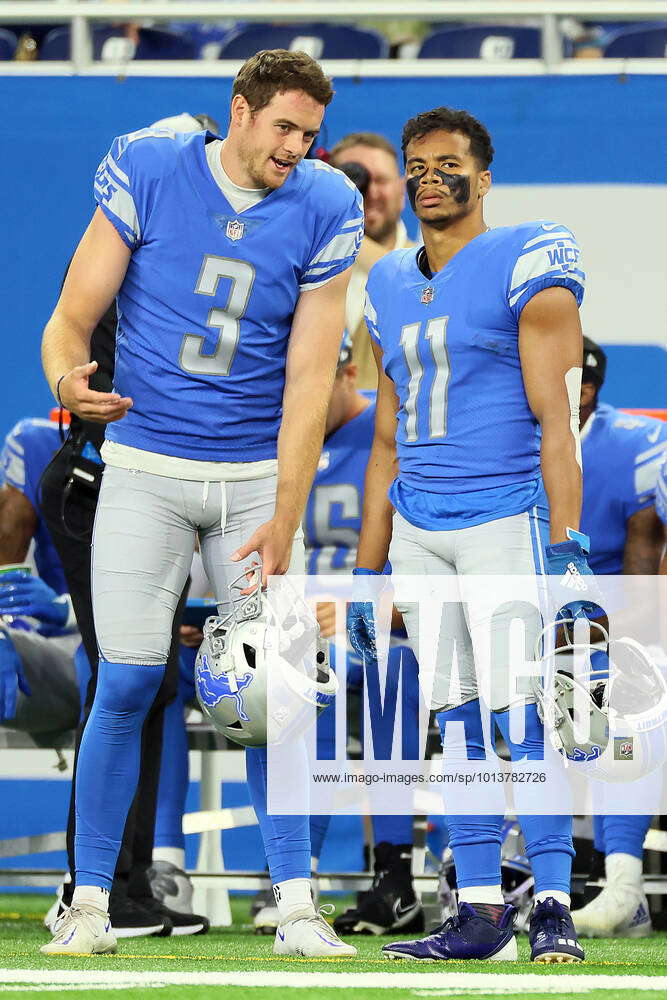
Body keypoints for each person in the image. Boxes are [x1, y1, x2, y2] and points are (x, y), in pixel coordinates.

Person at [39, 49, 363, 957]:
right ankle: (92, 901)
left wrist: (288, 511)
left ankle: (295, 903)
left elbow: (309, 378)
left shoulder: (327, 203)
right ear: (239, 110)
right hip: (144, 463)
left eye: (310, 133)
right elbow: (69, 316)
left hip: (254, 476)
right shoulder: (150, 165)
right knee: (131, 677)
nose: (297, 149)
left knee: (267, 692)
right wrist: (68, 378)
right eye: (284, 128)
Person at [348, 106, 591, 964]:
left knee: (520, 715)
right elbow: (384, 434)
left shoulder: (527, 252)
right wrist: (365, 568)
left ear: (482, 178)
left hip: (503, 515)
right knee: (451, 722)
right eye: (416, 163)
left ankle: (554, 901)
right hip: (418, 522)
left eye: (448, 163)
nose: (428, 176)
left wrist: (565, 543)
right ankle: (480, 911)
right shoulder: (380, 281)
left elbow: (555, 419)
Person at [39, 113, 220, 942]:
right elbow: (71, 334)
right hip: (101, 482)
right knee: (126, 677)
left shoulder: (180, 251)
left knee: (151, 683)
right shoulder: (137, 256)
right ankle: (95, 884)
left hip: (146, 487)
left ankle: (122, 878)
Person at [252, 336, 424, 936]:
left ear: (349, 372)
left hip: (378, 629)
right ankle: (295, 875)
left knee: (387, 673)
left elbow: (423, 552)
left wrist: (360, 609)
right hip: (289, 634)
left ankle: (394, 874)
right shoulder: (274, 436)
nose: (294, 399)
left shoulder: (394, 434)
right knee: (297, 673)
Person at [571, 337, 667, 938]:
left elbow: (646, 599)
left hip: (614, 630)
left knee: (629, 678)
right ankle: (485, 875)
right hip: (548, 623)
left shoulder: (635, 447)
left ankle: (625, 885)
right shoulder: (501, 442)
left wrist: (588, 634)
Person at [0, 415, 80, 740]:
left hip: (147, 654)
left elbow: (188, 601)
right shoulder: (41, 445)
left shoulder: (178, 450)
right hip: (60, 654)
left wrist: (69, 612)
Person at [329, 133, 414, 390]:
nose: (369, 191)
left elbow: (414, 281)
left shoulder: (431, 267)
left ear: (403, 188)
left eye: (380, 179)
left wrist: (337, 231)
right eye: (354, 178)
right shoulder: (300, 268)